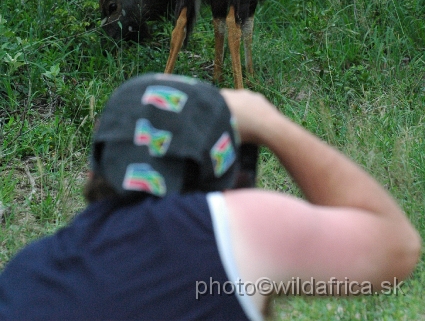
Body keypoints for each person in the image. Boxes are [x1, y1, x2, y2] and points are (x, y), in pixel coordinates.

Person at [0, 73, 420, 320]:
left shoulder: (23, 273)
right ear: (226, 180)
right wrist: (270, 124)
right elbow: (395, 247)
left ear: (92, 172)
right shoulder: (228, 226)